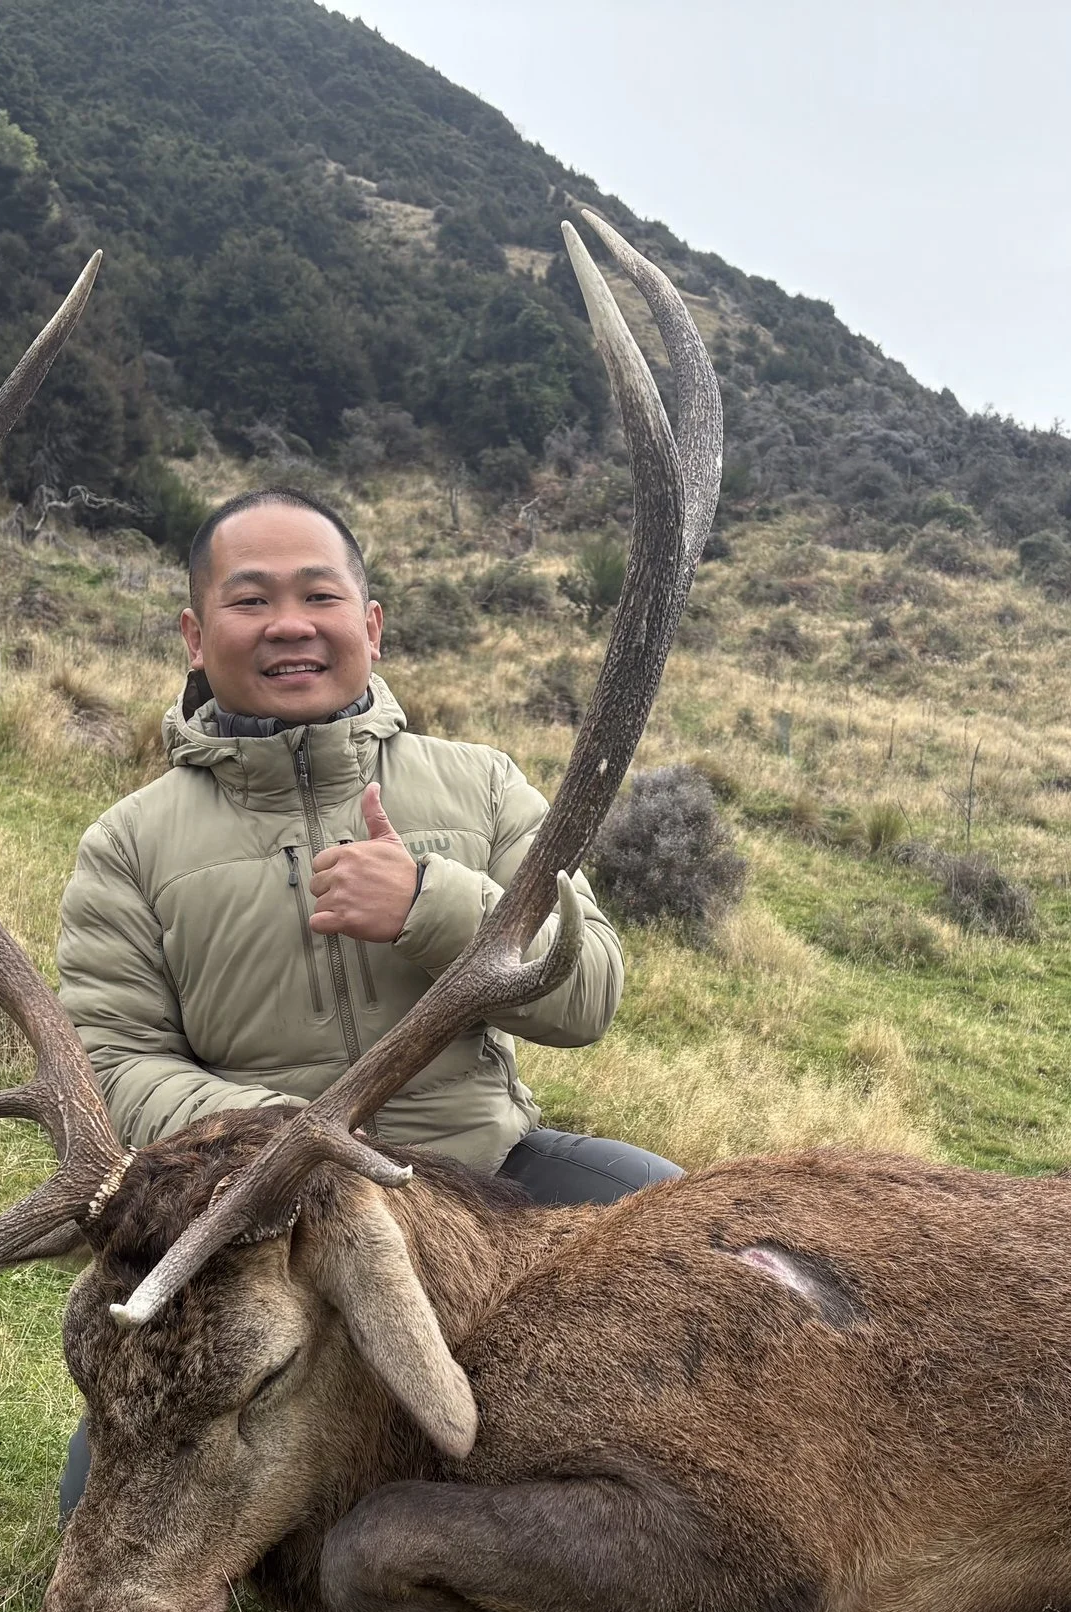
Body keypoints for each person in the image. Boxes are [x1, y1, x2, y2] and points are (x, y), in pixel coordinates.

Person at [51, 486, 680, 1516]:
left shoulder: (482, 789)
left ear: (370, 625)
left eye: (319, 595)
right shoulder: (129, 844)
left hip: (486, 1183)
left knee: (682, 1220)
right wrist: (285, 1142)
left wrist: (435, 907)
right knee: (97, 1505)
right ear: (195, 634)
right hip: (254, 1218)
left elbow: (590, 993)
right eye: (250, 600)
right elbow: (112, 1066)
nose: (290, 625)